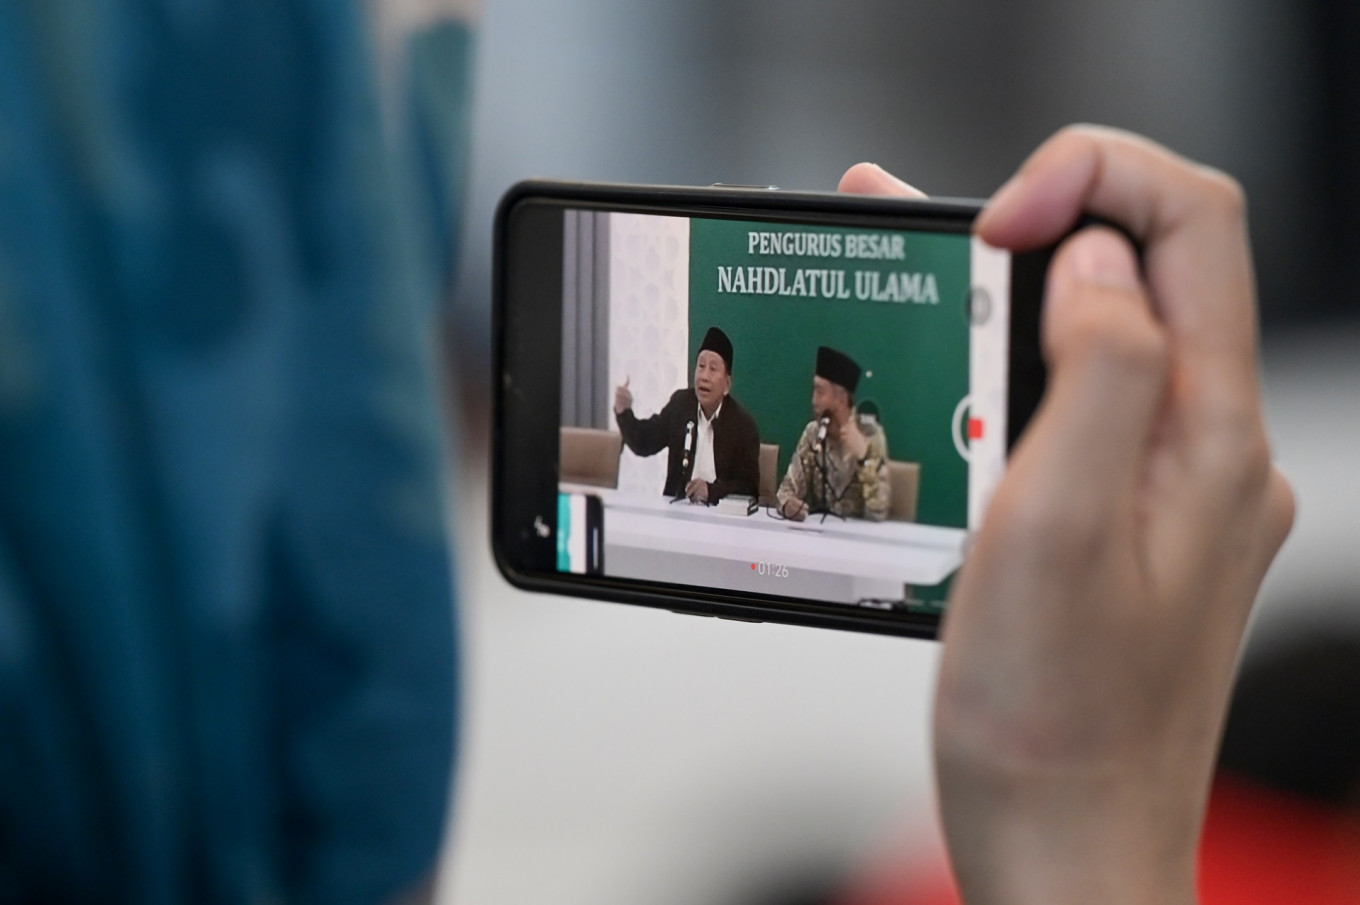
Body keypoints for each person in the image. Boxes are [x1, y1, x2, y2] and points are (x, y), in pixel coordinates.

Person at [838, 126, 1294, 905]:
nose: (822, 402)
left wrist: (1079, 821)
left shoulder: (860, 435)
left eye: (828, 394)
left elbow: (868, 502)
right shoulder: (799, 435)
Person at [613, 326, 761, 503]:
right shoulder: (681, 405)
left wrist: (712, 490)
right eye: (701, 366)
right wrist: (624, 412)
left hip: (720, 515)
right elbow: (644, 442)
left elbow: (749, 488)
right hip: (678, 511)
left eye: (713, 369)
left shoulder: (743, 426)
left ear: (727, 385)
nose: (704, 376)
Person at [776, 346, 890, 521]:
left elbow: (879, 510)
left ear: (841, 399)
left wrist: (864, 457)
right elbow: (785, 492)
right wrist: (788, 505)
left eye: (820, 392)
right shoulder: (813, 433)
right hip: (819, 533)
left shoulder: (871, 434)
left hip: (858, 535)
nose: (814, 400)